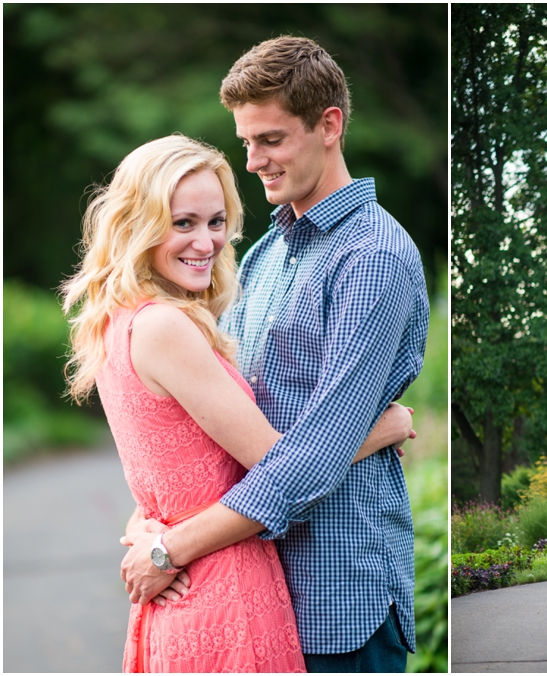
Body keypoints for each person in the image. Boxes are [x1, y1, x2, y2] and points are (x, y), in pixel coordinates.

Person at [118, 36, 430, 673]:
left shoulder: (370, 259)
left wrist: (169, 549)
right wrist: (148, 524)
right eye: (247, 142)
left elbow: (309, 461)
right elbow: (206, 437)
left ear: (329, 126)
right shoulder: (265, 256)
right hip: (247, 591)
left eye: (272, 140)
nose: (255, 160)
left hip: (334, 597)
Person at [61, 135, 415, 671]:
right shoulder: (165, 327)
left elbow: (170, 472)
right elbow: (277, 461)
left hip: (194, 589)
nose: (206, 242)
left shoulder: (124, 319)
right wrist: (385, 428)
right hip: (223, 593)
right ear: (138, 223)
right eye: (182, 223)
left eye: (216, 221)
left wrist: (150, 532)